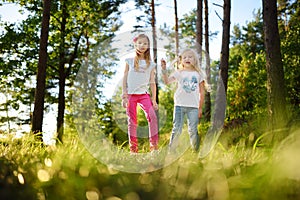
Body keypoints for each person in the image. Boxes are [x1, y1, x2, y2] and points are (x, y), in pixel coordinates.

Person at [161, 48, 206, 152]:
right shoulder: (179, 72)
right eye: (185, 57)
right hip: (179, 105)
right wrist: (164, 69)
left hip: (193, 107)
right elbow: (167, 81)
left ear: (195, 60)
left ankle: (195, 151)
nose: (187, 59)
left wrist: (200, 107)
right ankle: (171, 151)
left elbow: (202, 92)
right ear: (181, 60)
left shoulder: (199, 74)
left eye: (190, 57)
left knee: (193, 130)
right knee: (177, 129)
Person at [122, 33, 159, 154]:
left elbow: (152, 83)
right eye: (140, 43)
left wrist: (153, 100)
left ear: (148, 46)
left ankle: (154, 148)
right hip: (131, 95)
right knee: (132, 121)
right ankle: (134, 150)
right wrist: (124, 95)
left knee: (152, 117)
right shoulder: (130, 61)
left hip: (144, 95)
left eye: (145, 43)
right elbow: (125, 78)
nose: (142, 45)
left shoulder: (151, 64)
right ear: (135, 45)